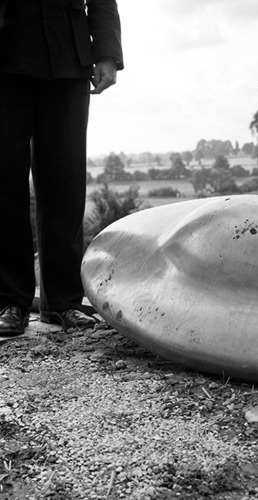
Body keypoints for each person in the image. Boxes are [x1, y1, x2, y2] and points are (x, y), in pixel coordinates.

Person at [0, 0, 124, 335]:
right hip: (5, 53)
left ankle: (63, 303)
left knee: (65, 182)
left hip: (68, 55)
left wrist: (107, 54)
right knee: (4, 181)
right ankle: (9, 300)